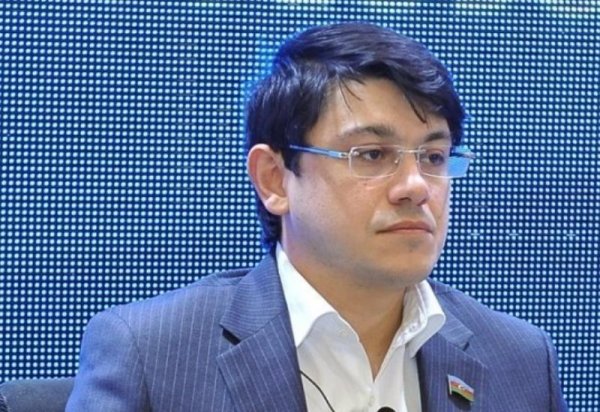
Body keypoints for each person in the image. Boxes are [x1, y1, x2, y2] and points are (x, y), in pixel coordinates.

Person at [66, 22, 567, 411]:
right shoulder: (152, 354)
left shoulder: (520, 359)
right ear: (274, 179)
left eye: (433, 157)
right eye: (372, 155)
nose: (417, 187)